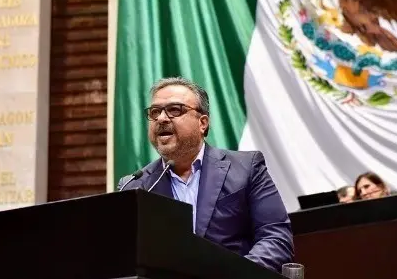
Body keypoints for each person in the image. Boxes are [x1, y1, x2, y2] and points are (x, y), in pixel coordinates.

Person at [118, 77, 294, 272]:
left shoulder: (247, 168)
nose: (161, 118)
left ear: (202, 123)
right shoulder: (136, 185)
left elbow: (275, 236)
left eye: (174, 110)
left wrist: (236, 275)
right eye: (155, 112)